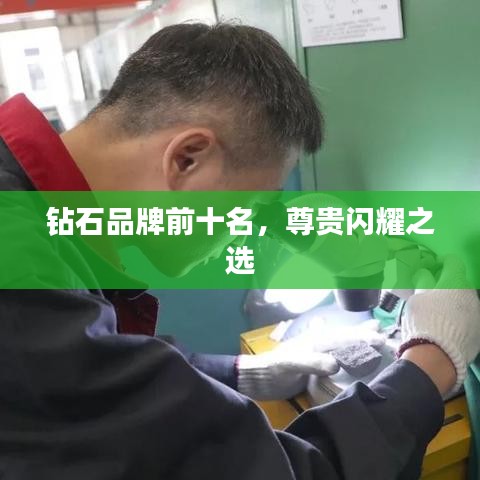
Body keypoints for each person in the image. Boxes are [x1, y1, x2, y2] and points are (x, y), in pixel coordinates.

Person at [0, 22, 478, 480]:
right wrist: (432, 360)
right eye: (249, 209)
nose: (243, 233)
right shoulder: (19, 269)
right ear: (187, 158)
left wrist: (240, 373)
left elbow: (94, 368)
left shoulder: (33, 215)